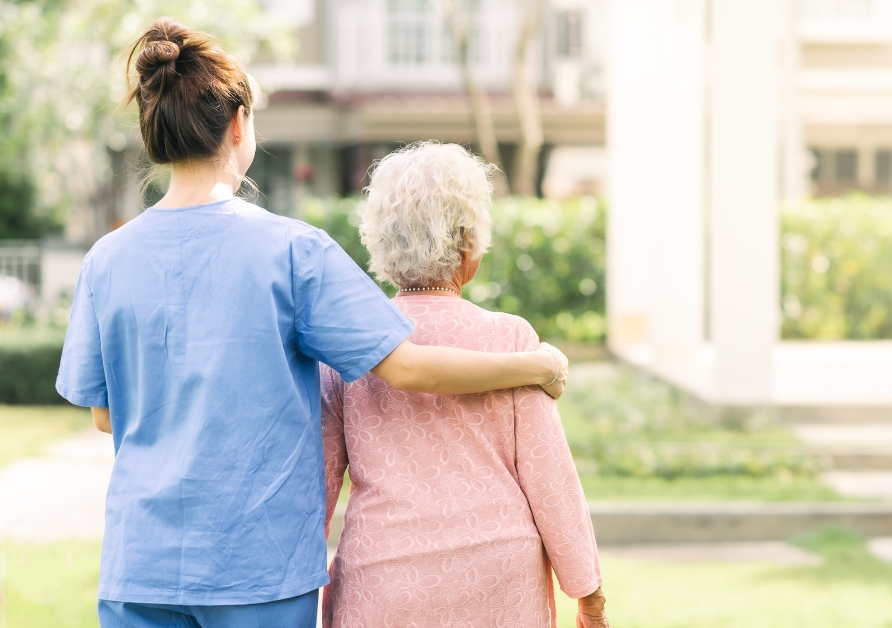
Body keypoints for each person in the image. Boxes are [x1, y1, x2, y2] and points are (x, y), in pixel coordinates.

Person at [54, 19, 569, 628]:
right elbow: (407, 367)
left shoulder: (106, 259)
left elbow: (105, 414)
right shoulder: (293, 252)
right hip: (258, 570)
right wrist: (533, 365)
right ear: (239, 123)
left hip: (140, 566)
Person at [320, 142, 608, 628]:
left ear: (381, 242)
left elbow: (318, 484)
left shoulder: (351, 346)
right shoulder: (512, 341)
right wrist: (589, 595)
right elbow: (551, 480)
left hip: (384, 579)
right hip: (499, 577)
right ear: (469, 242)